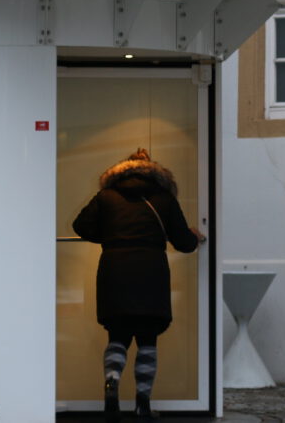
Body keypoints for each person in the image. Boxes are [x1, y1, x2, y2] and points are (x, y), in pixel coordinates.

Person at [72, 149, 204, 421]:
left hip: (114, 271)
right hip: (150, 272)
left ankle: (111, 387)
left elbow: (81, 226)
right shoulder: (164, 198)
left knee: (117, 335)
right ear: (155, 172)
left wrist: (111, 235)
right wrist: (194, 236)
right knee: (147, 338)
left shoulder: (107, 196)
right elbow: (183, 242)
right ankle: (142, 404)